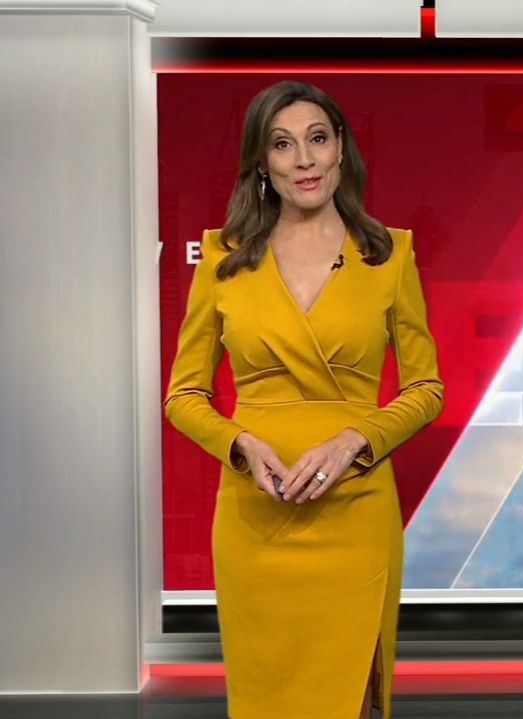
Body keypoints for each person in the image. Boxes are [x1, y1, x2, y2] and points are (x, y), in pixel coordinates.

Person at [164, 80, 444, 719]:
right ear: (262, 162)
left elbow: (426, 388)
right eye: (283, 145)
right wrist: (239, 444)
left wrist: (357, 440)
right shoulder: (224, 259)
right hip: (257, 517)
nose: (305, 159)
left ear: (341, 147)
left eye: (317, 139)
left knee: (347, 698)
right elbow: (184, 395)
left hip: (356, 510)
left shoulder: (388, 254)